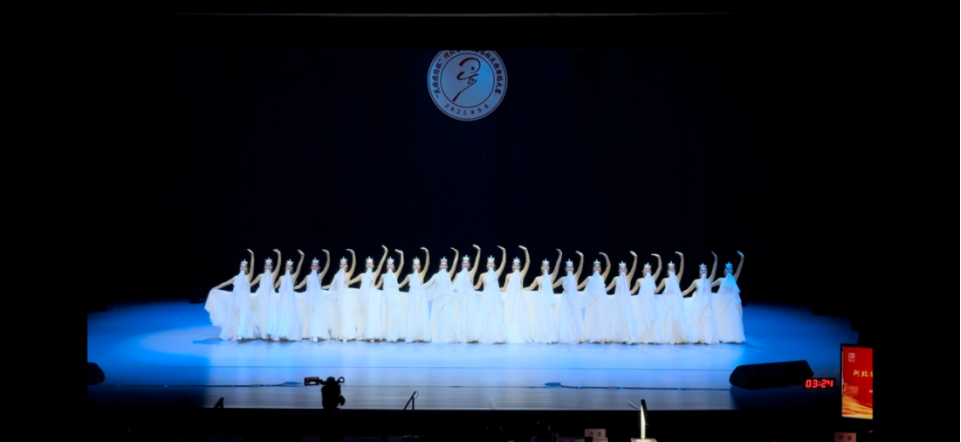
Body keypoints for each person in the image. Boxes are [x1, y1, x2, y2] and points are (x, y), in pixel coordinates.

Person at [205, 249, 257, 340]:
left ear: (247, 269)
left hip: (244, 301)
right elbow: (225, 283)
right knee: (235, 316)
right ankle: (235, 333)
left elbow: (252, 266)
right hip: (235, 300)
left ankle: (241, 334)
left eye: (244, 267)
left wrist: (252, 255)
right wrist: (216, 287)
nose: (242, 268)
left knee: (243, 315)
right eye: (241, 266)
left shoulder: (248, 277)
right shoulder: (236, 277)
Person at [525, 251, 564, 344]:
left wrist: (560, 256)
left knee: (550, 316)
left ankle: (551, 335)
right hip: (540, 300)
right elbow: (530, 288)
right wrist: (519, 288)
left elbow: (557, 267)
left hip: (549, 300)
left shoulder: (551, 277)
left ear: (549, 268)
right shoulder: (537, 278)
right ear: (541, 268)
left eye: (547, 265)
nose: (545, 267)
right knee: (541, 317)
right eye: (544, 265)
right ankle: (541, 335)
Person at [265, 252, 305, 341]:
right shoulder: (281, 277)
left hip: (290, 300)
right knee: (282, 314)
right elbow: (274, 287)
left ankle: (287, 333)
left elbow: (299, 266)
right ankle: (281, 333)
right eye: (287, 266)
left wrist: (302, 257)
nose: (288, 267)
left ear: (292, 269)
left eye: (289, 266)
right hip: (282, 299)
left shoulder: (293, 277)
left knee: (288, 314)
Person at [294, 251, 331, 342]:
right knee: (310, 315)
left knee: (317, 315)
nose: (314, 267)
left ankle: (317, 333)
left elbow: (327, 266)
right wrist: (291, 287)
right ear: (311, 267)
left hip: (317, 299)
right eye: (313, 266)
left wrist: (328, 255)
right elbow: (300, 285)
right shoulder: (308, 277)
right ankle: (309, 333)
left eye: (316, 266)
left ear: (318, 268)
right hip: (309, 299)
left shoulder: (319, 276)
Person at [654, 252, 690, 344]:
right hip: (667, 301)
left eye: (673, 269)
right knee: (667, 318)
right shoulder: (664, 280)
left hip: (675, 301)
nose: (672, 270)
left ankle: (677, 336)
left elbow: (681, 270)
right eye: (670, 269)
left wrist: (682, 257)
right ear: (667, 272)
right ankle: (668, 336)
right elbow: (657, 290)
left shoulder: (677, 278)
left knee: (676, 318)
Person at [682, 257, 720, 344]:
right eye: (702, 270)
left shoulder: (709, 280)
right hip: (698, 303)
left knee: (707, 320)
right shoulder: (696, 281)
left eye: (705, 270)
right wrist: (678, 294)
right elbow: (687, 290)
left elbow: (714, 270)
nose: (703, 272)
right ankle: (697, 337)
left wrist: (716, 260)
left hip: (707, 304)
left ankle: (706, 338)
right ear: (699, 272)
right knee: (697, 320)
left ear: (707, 272)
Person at [473, 252, 509, 344]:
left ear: (494, 265)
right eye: (489, 263)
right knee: (485, 315)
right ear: (486, 265)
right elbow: (477, 286)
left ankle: (497, 336)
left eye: (492, 263)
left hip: (495, 298)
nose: (490, 264)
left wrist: (503, 251)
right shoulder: (482, 275)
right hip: (486, 298)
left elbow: (504, 262)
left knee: (495, 315)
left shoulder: (496, 273)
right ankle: (485, 335)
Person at [323, 249, 357, 341]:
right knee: (339, 314)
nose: (343, 265)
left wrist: (353, 253)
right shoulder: (336, 276)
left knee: (346, 314)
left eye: (344, 264)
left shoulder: (348, 274)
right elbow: (331, 286)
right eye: (341, 264)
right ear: (339, 266)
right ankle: (339, 333)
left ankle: (346, 334)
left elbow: (354, 264)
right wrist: (321, 287)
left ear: (347, 266)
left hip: (346, 296)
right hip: (339, 296)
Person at [424, 250, 458, 343]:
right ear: (439, 266)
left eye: (445, 265)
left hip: (446, 300)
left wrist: (456, 254)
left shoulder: (448, 274)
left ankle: (447, 336)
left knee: (446, 317)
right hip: (438, 300)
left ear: (447, 267)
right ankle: (436, 335)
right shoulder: (435, 276)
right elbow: (428, 284)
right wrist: (419, 287)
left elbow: (454, 265)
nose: (443, 267)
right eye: (442, 265)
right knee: (437, 317)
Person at [711, 251, 745, 343]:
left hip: (732, 303)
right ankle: (722, 335)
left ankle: (732, 336)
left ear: (732, 271)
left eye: (730, 269)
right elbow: (710, 285)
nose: (729, 270)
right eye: (727, 269)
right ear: (724, 271)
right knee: (723, 319)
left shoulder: (734, 278)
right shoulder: (720, 280)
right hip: (722, 303)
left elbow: (739, 269)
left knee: (732, 319)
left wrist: (742, 259)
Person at [398, 248, 431, 342]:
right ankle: (413, 334)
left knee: (420, 314)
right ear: (413, 267)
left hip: (420, 297)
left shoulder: (422, 274)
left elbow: (427, 264)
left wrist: (427, 253)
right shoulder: (409, 276)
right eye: (415, 265)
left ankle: (420, 335)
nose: (416, 266)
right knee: (412, 314)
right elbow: (400, 285)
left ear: (419, 267)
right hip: (412, 297)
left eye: (418, 265)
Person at [501, 246, 533, 343]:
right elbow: (504, 288)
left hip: (519, 299)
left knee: (519, 317)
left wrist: (526, 250)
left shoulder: (521, 274)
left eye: (517, 265)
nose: (516, 267)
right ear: (512, 267)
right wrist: (493, 288)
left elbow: (528, 262)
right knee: (509, 315)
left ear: (520, 267)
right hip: (510, 299)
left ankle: (519, 334)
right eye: (514, 265)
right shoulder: (508, 276)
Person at [357, 246, 389, 342]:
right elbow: (350, 281)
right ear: (366, 265)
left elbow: (381, 264)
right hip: (364, 295)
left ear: (373, 265)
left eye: (371, 263)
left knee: (372, 314)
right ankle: (364, 333)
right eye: (368, 263)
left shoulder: (374, 274)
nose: (369, 265)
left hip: (372, 296)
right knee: (364, 313)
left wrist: (385, 252)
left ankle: (372, 335)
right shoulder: (362, 275)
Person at [606, 252, 639, 344]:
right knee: (619, 318)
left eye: (624, 269)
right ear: (619, 270)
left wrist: (635, 257)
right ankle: (621, 337)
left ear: (626, 270)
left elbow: (634, 268)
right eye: (621, 269)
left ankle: (628, 336)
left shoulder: (628, 278)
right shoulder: (616, 279)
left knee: (627, 318)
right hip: (618, 301)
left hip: (626, 302)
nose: (623, 270)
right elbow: (608, 288)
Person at [452, 245, 482, 342]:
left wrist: (479, 251)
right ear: (461, 265)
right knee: (459, 316)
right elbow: (452, 285)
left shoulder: (471, 273)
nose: (465, 265)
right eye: (464, 263)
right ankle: (460, 335)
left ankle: (470, 335)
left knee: (469, 316)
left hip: (469, 299)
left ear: (469, 265)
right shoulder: (458, 274)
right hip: (459, 299)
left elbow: (477, 262)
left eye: (467, 263)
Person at [630, 255, 663, 344]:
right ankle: (642, 337)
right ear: (643, 271)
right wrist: (624, 293)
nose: (647, 270)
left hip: (650, 303)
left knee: (651, 319)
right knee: (642, 319)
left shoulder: (652, 278)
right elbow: (633, 291)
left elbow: (659, 268)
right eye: (646, 269)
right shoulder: (639, 280)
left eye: (649, 269)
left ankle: (652, 337)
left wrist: (659, 258)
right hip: (642, 303)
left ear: (651, 271)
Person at [249, 249, 282, 339]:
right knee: (261, 313)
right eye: (266, 265)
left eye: (269, 265)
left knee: (270, 313)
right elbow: (251, 284)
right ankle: (262, 331)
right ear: (264, 266)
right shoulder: (260, 276)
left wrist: (279, 254)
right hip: (261, 296)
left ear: (271, 267)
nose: (268, 267)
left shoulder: (273, 275)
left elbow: (279, 265)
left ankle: (269, 331)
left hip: (270, 297)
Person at [376, 251, 407, 342]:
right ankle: (385, 333)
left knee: (394, 314)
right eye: (388, 264)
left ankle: (395, 333)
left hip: (393, 297)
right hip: (386, 297)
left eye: (391, 265)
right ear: (386, 266)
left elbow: (402, 264)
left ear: (393, 267)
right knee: (385, 313)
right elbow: (378, 286)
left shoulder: (395, 274)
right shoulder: (383, 276)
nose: (389, 266)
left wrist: (401, 254)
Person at [582, 253, 612, 344]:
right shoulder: (589, 278)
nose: (597, 268)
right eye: (595, 267)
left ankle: (601, 336)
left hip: (601, 302)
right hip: (592, 302)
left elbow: (608, 267)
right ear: (593, 269)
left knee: (601, 318)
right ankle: (593, 336)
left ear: (600, 269)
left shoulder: (602, 277)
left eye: (598, 267)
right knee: (592, 317)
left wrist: (606, 256)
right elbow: (580, 286)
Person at [557, 252, 586, 344]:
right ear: (565, 269)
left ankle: (576, 335)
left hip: (574, 300)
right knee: (567, 318)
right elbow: (552, 286)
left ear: (573, 269)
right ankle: (568, 336)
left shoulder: (575, 276)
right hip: (566, 299)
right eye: (568, 267)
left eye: (571, 267)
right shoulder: (562, 279)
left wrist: (582, 257)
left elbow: (581, 267)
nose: (570, 268)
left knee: (575, 317)